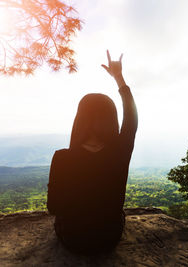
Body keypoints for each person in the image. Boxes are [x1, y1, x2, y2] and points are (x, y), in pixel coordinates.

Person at [47, 50, 138, 254]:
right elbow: (132, 119)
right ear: (111, 120)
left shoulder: (62, 158)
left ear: (79, 120)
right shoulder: (120, 152)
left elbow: (53, 207)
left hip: (71, 238)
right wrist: (118, 78)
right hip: (108, 238)